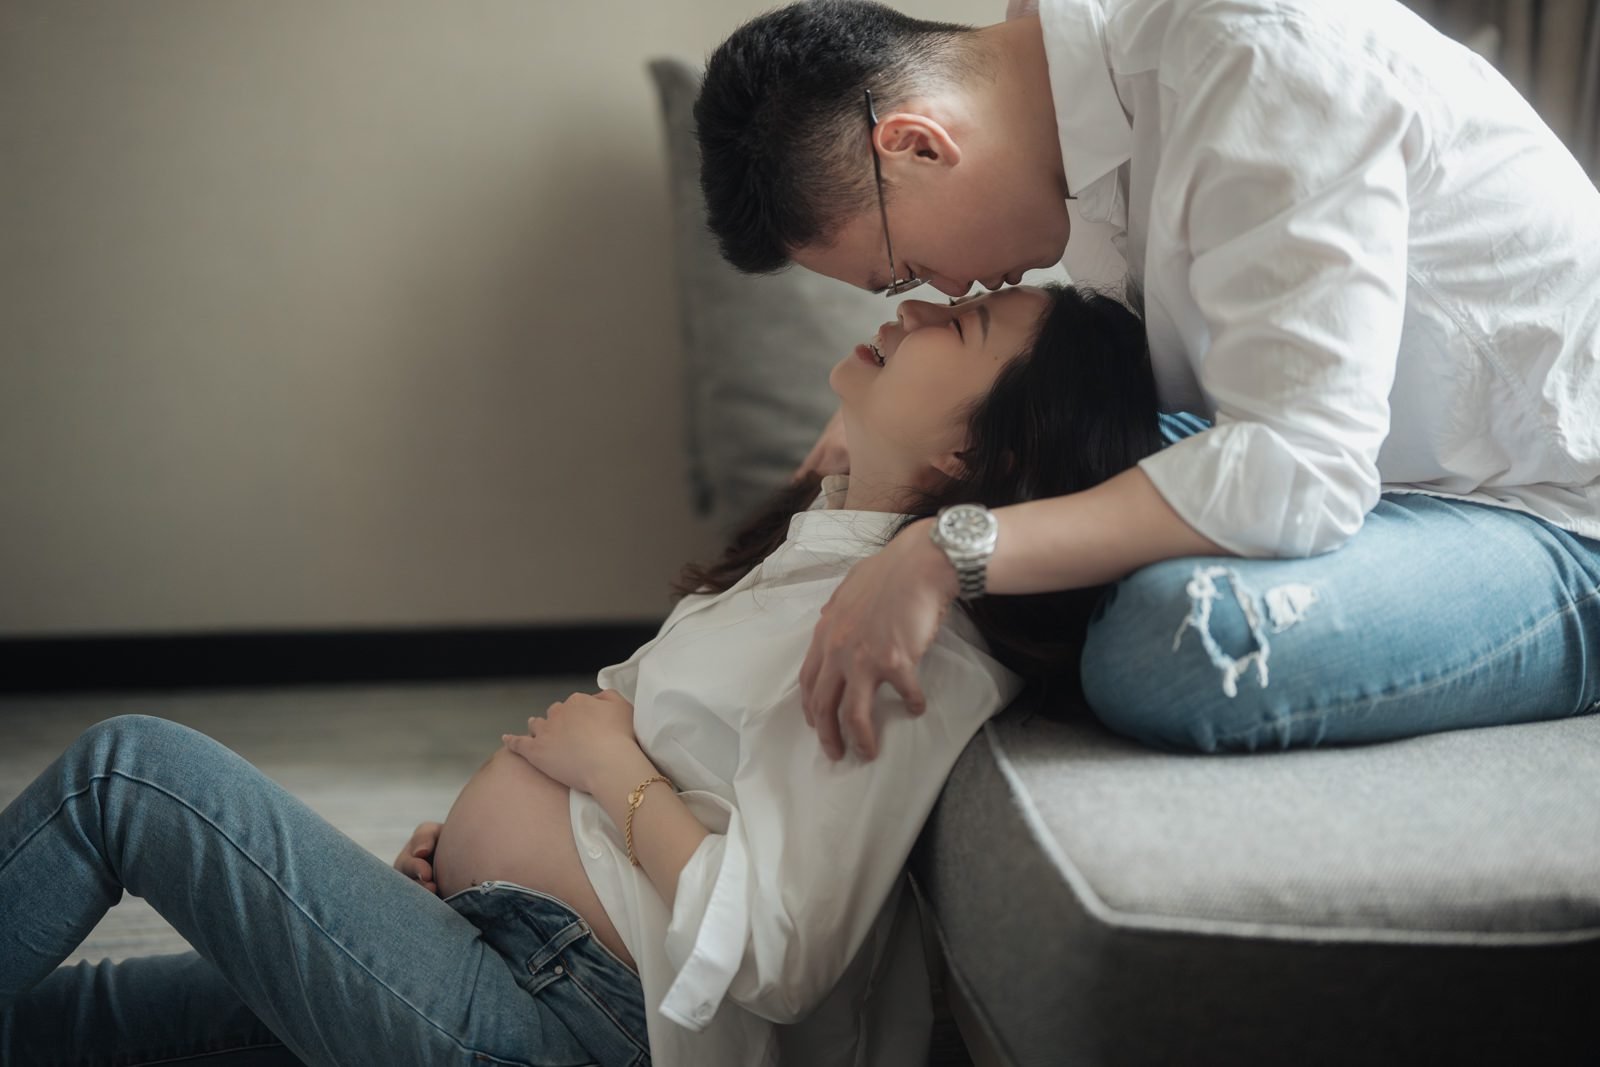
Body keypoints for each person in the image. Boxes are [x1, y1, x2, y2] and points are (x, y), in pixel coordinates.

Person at [0, 284, 1172, 1066]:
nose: (914, 303)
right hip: (491, 944)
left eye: (958, 324)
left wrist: (612, 775)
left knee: (134, 778)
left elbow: (780, 951)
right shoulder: (830, 564)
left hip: (566, 1026)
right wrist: (469, 862)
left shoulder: (912, 651)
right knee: (74, 1022)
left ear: (975, 453)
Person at [693, 0, 1600, 759]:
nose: (949, 288)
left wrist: (947, 549)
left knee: (1171, 644)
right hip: (1381, 466)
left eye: (904, 269)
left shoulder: (1250, 60)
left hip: (1544, 502)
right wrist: (891, 415)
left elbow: (1300, 469)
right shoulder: (1078, 111)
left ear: (919, 145)